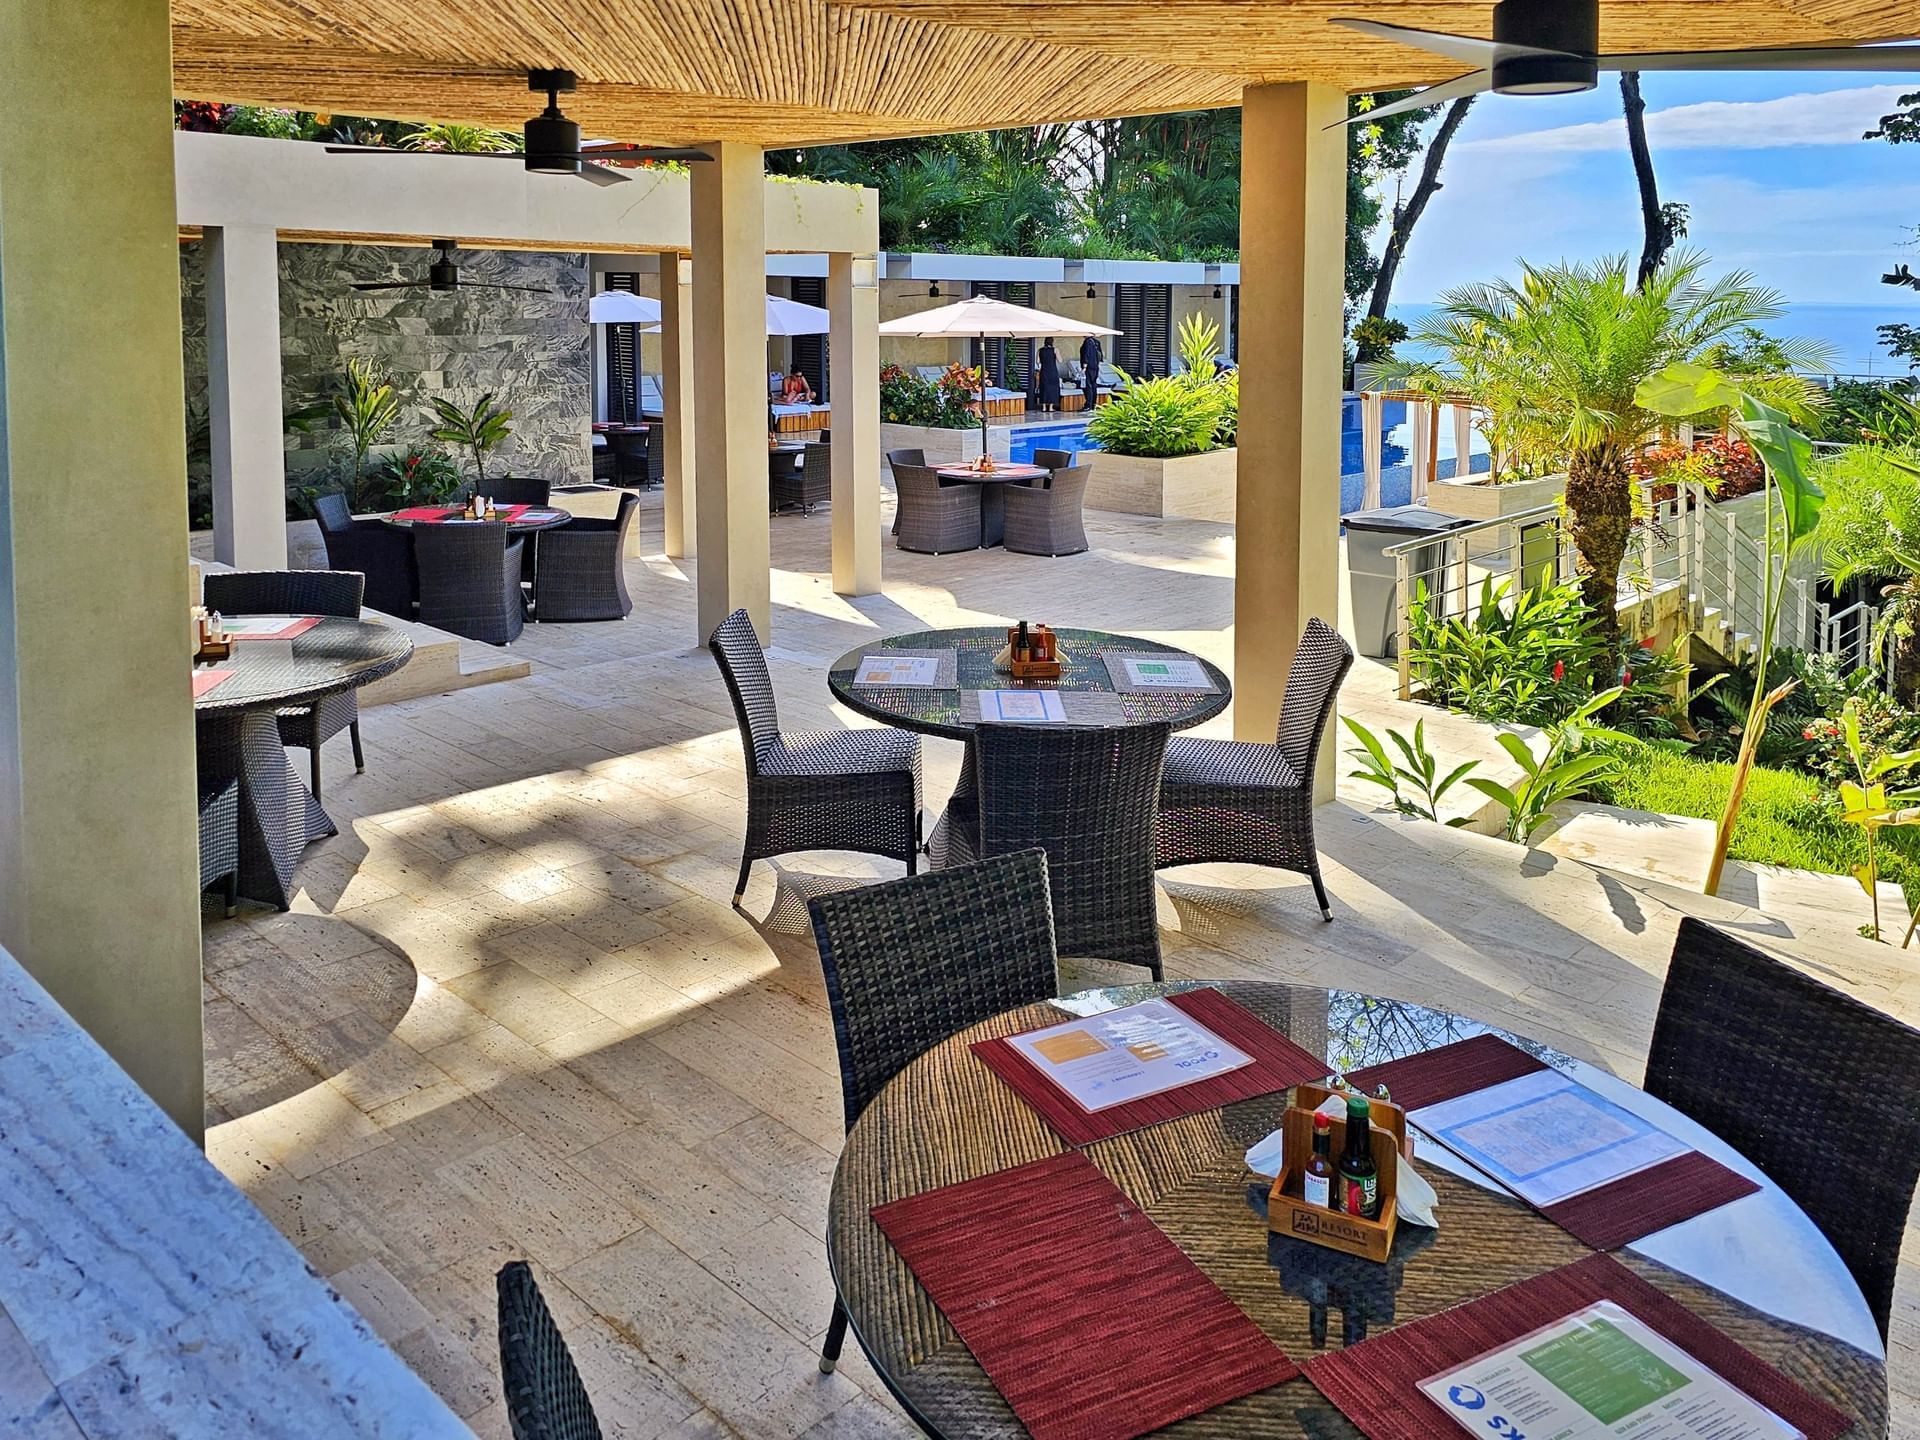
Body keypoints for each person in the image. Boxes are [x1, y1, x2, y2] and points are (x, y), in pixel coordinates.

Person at [1077, 333, 1104, 410]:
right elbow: (1100, 356)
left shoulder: (1087, 342)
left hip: (1089, 367)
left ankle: (1088, 404)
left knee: (1088, 386)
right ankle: (1093, 404)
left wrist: (1084, 366)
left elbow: (1086, 354)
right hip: (1095, 366)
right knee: (1093, 385)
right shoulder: (1097, 342)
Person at [1036, 339, 1061, 413]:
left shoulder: (1040, 350)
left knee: (1044, 388)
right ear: (1052, 342)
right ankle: (1050, 407)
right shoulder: (1055, 350)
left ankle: (1043, 407)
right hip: (1052, 371)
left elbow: (1038, 362)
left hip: (1044, 371)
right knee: (1053, 389)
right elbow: (1060, 360)